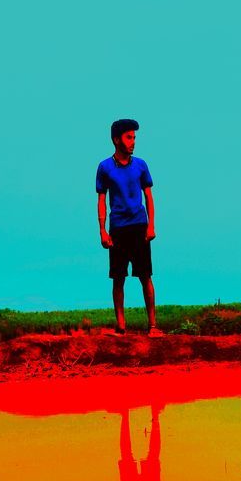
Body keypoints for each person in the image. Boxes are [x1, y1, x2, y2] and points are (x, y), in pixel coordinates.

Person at [96, 118, 163, 336]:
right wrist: (102, 231)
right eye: (128, 137)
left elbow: (149, 196)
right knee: (118, 277)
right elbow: (101, 199)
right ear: (116, 139)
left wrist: (151, 226)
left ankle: (152, 326)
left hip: (139, 225)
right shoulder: (104, 167)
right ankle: (121, 327)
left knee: (145, 275)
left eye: (134, 137)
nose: (133, 141)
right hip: (118, 227)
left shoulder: (141, 165)